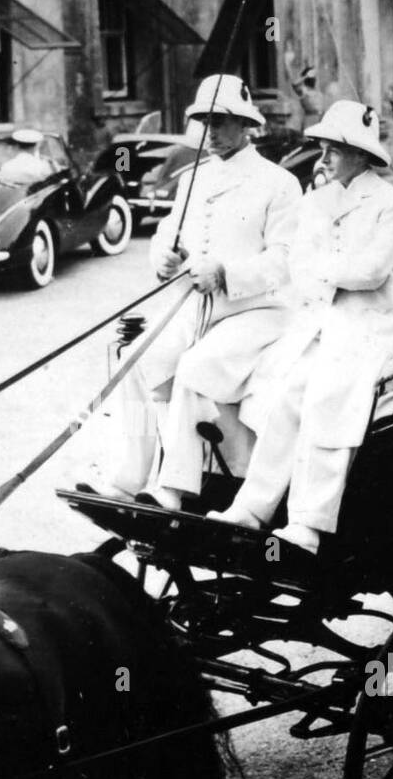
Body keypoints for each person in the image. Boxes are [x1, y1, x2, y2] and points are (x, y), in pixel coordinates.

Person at [78, 74, 303, 503]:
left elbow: (284, 259)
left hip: (257, 313)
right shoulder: (192, 178)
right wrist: (162, 257)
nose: (211, 132)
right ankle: (127, 480)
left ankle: (174, 487)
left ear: (246, 124)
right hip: (197, 309)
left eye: (220, 121)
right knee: (136, 360)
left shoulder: (278, 182)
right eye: (204, 121)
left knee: (194, 367)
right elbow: (168, 232)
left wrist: (226, 273)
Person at [208, 100, 393, 554]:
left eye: (332, 149)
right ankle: (252, 507)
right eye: (322, 149)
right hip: (320, 321)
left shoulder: (391, 203)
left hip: (367, 328)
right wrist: (326, 270)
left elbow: (372, 273)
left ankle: (308, 523)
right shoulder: (317, 200)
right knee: (282, 396)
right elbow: (298, 264)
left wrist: (323, 268)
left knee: (328, 402)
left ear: (359, 152)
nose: (323, 159)